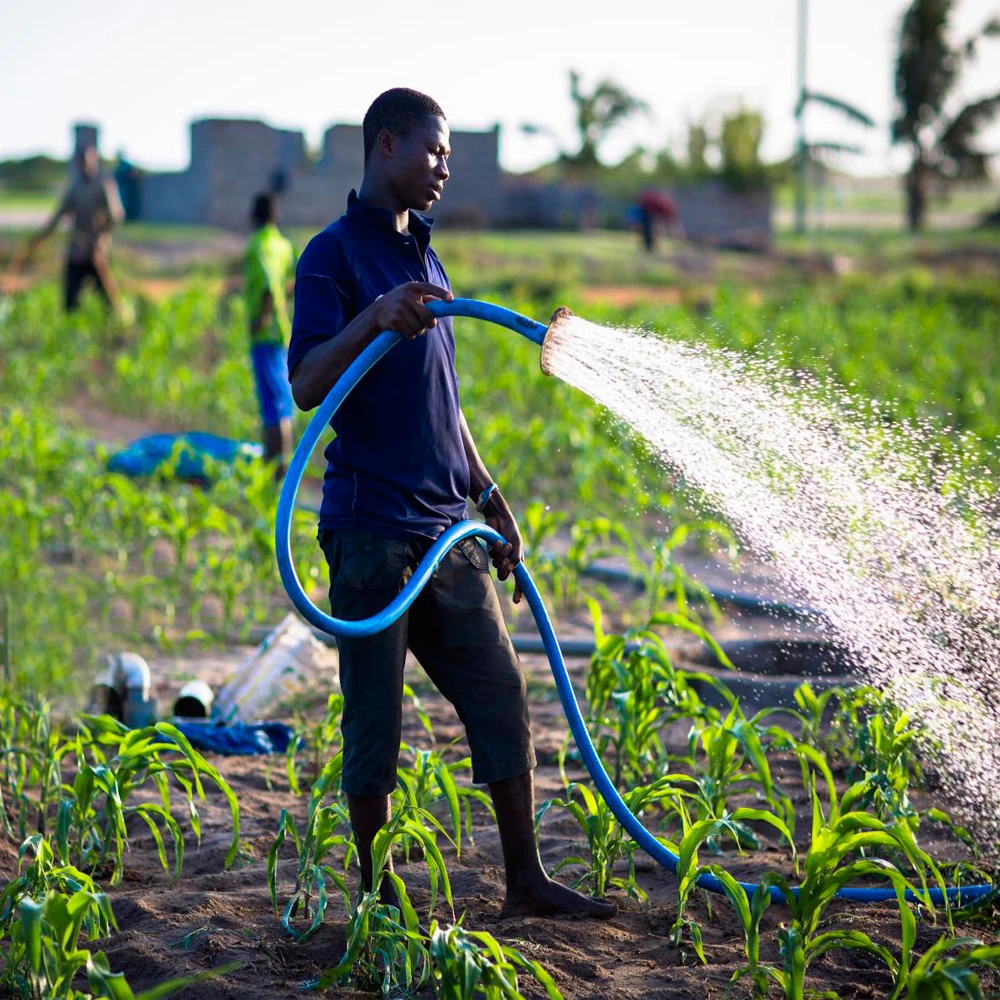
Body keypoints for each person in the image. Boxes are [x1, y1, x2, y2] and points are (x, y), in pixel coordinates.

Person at [288, 88, 616, 920]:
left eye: (448, 155)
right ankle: (377, 896)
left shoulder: (430, 263)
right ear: (386, 145)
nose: (444, 166)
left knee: (501, 695)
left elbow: (446, 401)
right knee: (375, 723)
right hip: (371, 531)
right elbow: (306, 383)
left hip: (445, 530)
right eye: (433, 150)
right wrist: (373, 318)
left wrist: (488, 493)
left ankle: (525, 881)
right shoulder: (332, 256)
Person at [19, 146, 124, 313]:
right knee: (71, 298)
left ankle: (118, 322)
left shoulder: (102, 185)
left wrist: (100, 240)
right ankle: (72, 324)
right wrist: (41, 237)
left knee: (106, 297)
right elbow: (59, 215)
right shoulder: (75, 187)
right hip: (77, 250)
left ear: (93, 161)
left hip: (96, 252)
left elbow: (116, 216)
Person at [244, 191, 298, 475]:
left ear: (254, 215)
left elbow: (266, 284)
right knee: (281, 400)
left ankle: (276, 471)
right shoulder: (283, 245)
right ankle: (279, 467)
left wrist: (261, 319)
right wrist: (280, 301)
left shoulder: (258, 245)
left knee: (272, 405)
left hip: (265, 334)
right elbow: (295, 280)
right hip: (282, 330)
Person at [635, 187, 684, 253]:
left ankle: (650, 247)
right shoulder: (661, 203)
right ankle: (650, 247)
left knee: (652, 231)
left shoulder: (662, 203)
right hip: (648, 213)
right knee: (650, 231)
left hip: (650, 213)